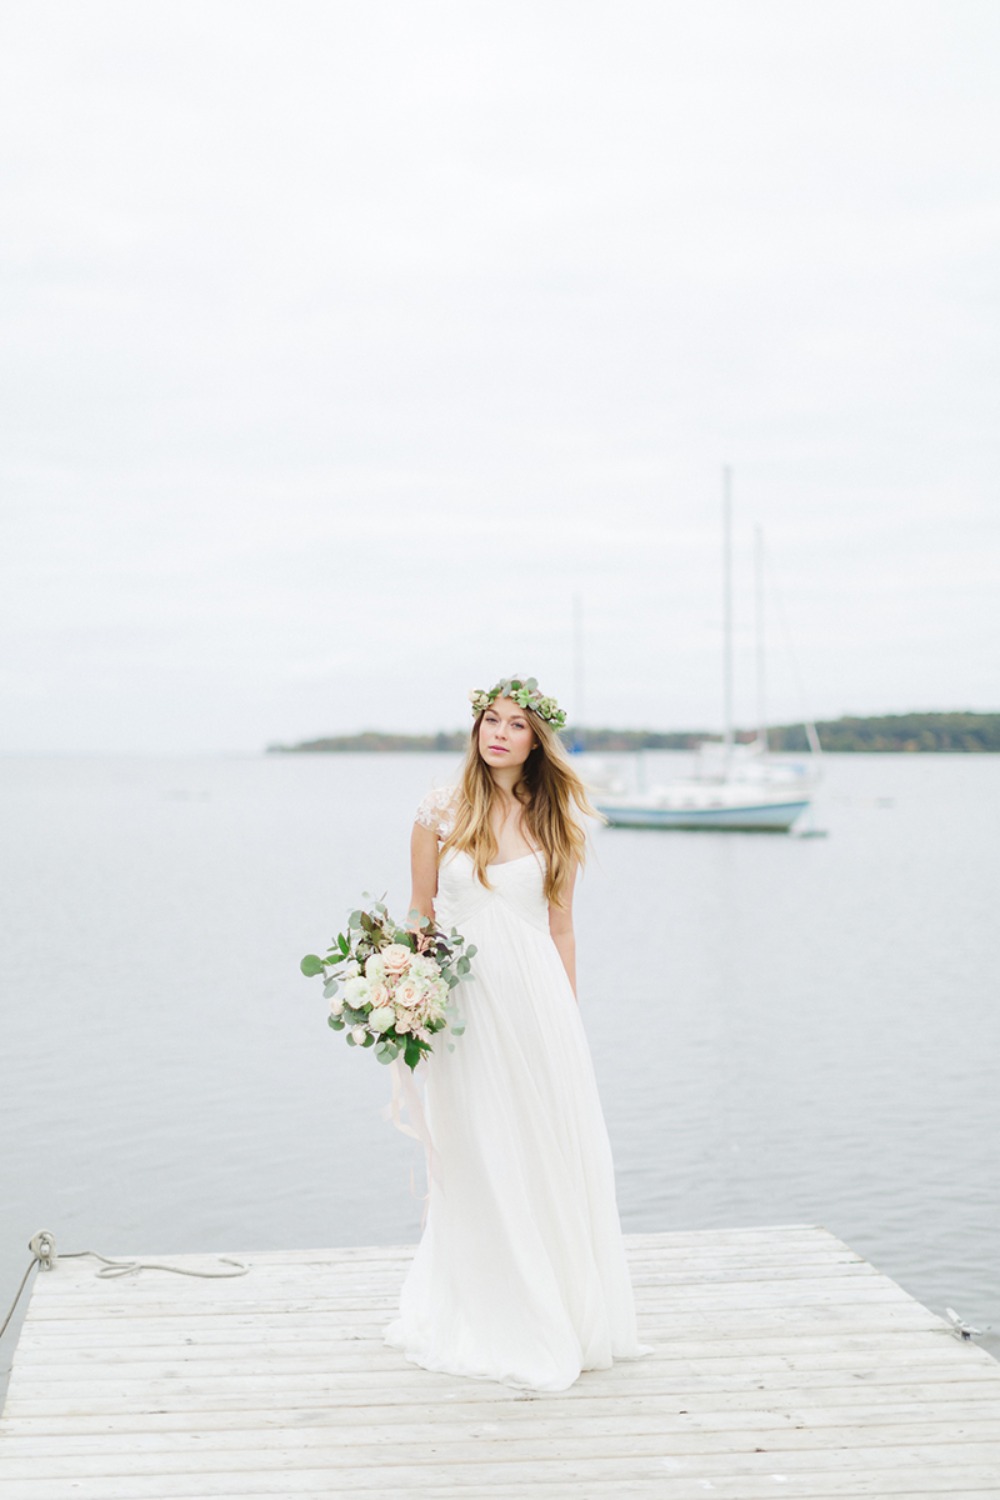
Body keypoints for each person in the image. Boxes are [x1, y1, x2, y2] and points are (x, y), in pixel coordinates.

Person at [383, 675, 652, 1391]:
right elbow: (420, 910)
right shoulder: (438, 811)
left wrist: (567, 1015)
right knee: (475, 1147)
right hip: (466, 1003)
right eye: (489, 720)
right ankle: (487, 1306)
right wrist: (398, 988)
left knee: (541, 1146)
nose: (498, 733)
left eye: (516, 724)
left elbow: (561, 925)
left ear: (537, 741)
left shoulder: (556, 816)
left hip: (537, 1004)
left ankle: (555, 1303)